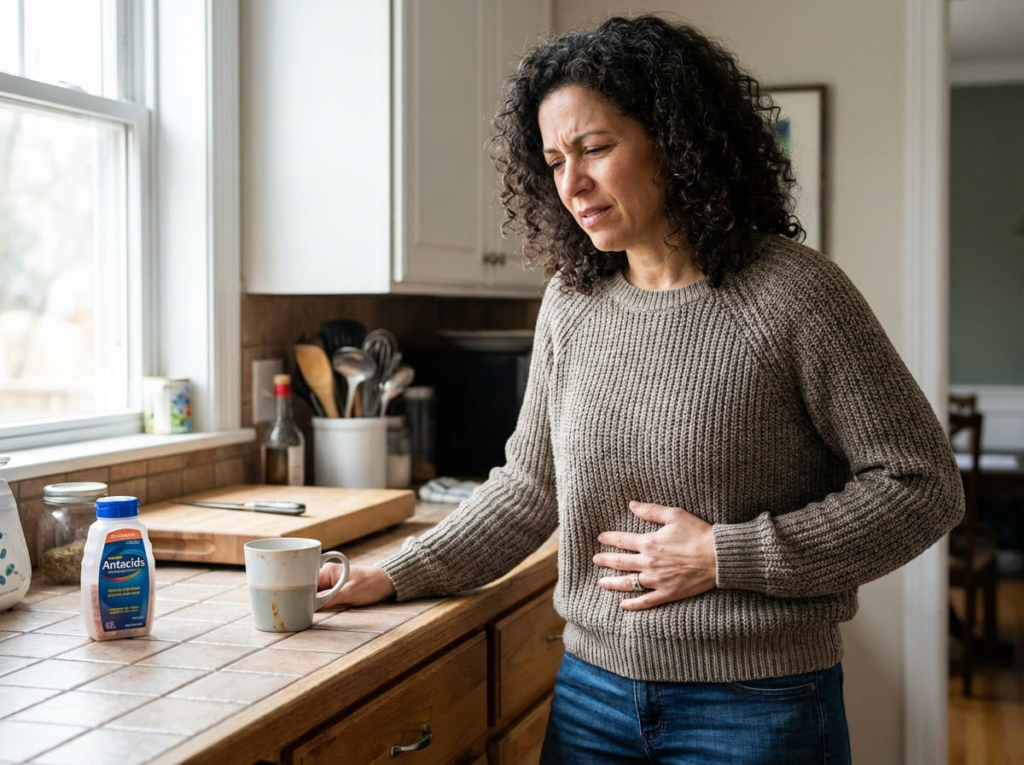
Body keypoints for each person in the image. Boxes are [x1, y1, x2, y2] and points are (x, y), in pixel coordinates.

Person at [319, 14, 964, 764]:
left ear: (674, 141)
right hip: (592, 697)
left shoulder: (794, 294)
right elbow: (530, 486)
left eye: (595, 148)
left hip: (757, 704)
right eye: (554, 160)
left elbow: (922, 485)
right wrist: (392, 572)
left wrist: (724, 554)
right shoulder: (572, 302)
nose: (572, 184)